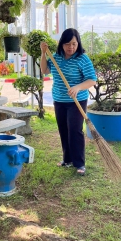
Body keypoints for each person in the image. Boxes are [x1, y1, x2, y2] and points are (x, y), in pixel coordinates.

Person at [40, 28, 97, 176]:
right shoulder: (56, 57)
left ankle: (80, 163)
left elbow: (92, 80)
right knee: (63, 130)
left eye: (73, 43)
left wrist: (77, 87)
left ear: (78, 43)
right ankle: (67, 160)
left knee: (75, 130)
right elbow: (45, 70)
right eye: (67, 44)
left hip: (76, 101)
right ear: (61, 44)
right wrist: (43, 53)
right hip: (59, 100)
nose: (70, 47)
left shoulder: (82, 58)